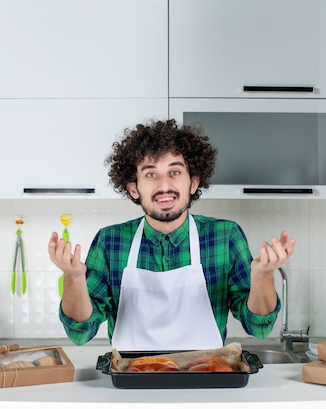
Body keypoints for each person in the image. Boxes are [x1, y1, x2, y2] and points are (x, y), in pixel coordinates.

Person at [48, 119, 295, 351]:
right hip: (131, 386)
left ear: (193, 182)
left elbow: (259, 328)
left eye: (175, 172)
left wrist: (263, 276)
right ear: (134, 188)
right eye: (151, 174)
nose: (164, 186)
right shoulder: (110, 241)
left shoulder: (225, 236)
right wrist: (73, 278)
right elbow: (80, 333)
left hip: (204, 383)